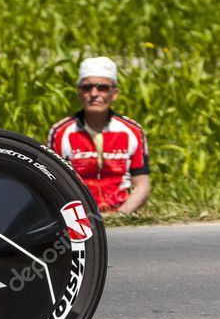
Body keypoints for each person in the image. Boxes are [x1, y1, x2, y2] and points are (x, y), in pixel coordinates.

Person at [48, 57, 151, 215]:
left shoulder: (133, 131)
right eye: (87, 88)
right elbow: (52, 183)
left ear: (115, 93)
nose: (94, 94)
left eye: (102, 88)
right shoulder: (61, 132)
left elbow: (142, 184)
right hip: (80, 218)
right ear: (79, 92)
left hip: (122, 214)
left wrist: (121, 216)